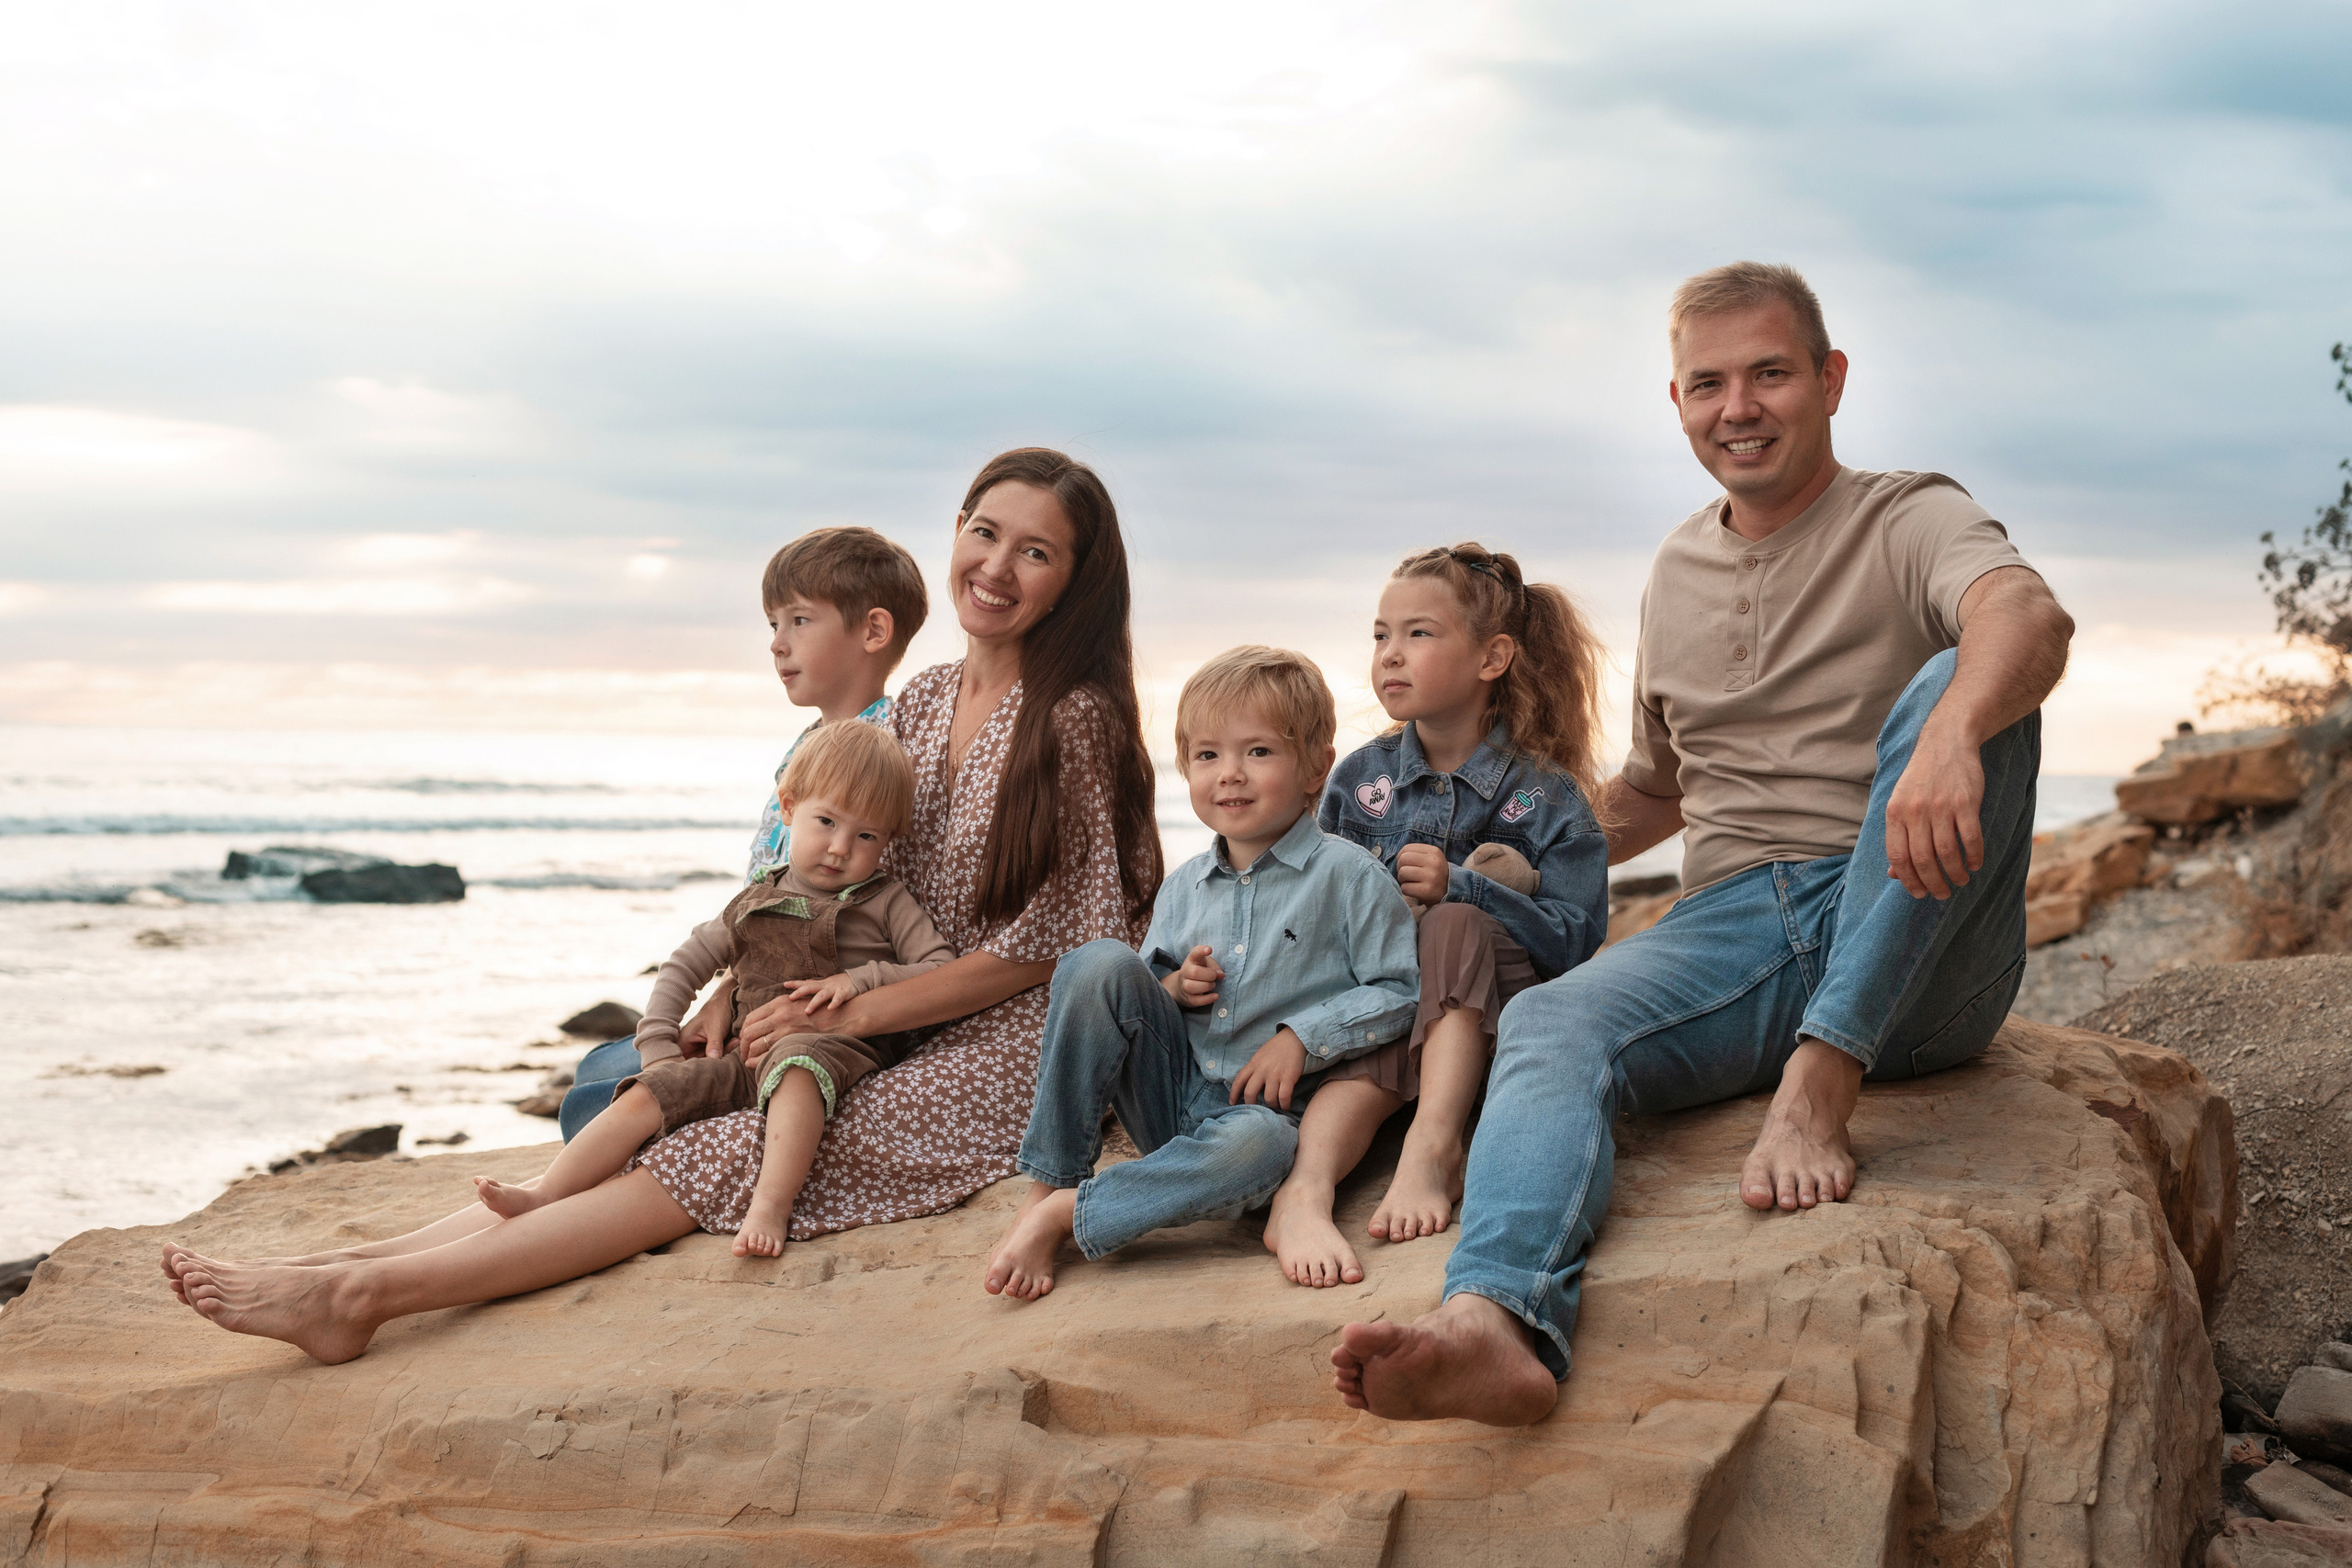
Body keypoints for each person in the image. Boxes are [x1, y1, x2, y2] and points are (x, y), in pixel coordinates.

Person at [164, 447, 1161, 1363]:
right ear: (955, 531)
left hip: (1001, 1039)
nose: (996, 565)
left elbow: (1047, 954)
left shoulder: (1072, 721)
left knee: (731, 1145)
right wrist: (749, 983)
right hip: (871, 1007)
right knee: (668, 1103)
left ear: (1072, 580)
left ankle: (366, 1298)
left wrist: (848, 1010)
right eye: (984, 532)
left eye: (1036, 552)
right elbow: (837, 885)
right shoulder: (925, 698)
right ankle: (347, 1267)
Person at [1332, 261, 2075, 1426]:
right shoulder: (1676, 569)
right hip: (1738, 927)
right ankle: (1493, 1320)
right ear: (1674, 405)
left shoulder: (1908, 513)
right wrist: (1511, 849)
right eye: (1707, 384)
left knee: (1965, 685)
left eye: (1770, 374)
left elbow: (2026, 616)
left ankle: (1817, 1089)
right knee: (1550, 1019)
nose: (1739, 407)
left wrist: (1950, 738)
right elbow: (1651, 788)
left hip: (1916, 922)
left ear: (1830, 381)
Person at [984, 646, 1419, 1301]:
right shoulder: (1184, 886)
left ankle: (1070, 1215)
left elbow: (1397, 991)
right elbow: (1139, 1001)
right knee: (1098, 960)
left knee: (1265, 1145)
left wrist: (1302, 1036)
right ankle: (1052, 1182)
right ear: (1186, 766)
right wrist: (1173, 987)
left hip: (1258, 1122)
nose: (1230, 775)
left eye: (1259, 752)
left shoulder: (1349, 875)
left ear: (1315, 770)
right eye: (1208, 755)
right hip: (1170, 1093)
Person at [1260, 543, 1611, 1289]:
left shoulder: (1544, 795)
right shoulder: (1359, 780)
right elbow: (1313, 908)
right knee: (1389, 983)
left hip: (1492, 1022)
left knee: (1450, 926)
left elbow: (1578, 943)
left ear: (1493, 657)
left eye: (1418, 633)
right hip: (1398, 1011)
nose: (1391, 654)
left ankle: (1434, 1147)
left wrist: (1473, 890)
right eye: (1381, 634)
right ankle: (1307, 1189)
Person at [471, 722, 955, 1258]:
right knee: (646, 1095)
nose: (841, 848)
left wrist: (859, 980)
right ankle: (545, 1194)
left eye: (867, 836)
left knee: (797, 1065)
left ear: (888, 840)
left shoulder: (886, 901)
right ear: (789, 808)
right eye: (826, 822)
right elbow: (683, 965)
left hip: (833, 1049)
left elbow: (939, 967)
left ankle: (770, 1206)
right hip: (743, 1055)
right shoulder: (751, 901)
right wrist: (657, 1048)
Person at [560, 525, 927, 1141]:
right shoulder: (807, 747)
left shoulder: (882, 753)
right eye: (772, 625)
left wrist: (741, 1006)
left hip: (801, 1011)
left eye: (800, 621)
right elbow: (766, 908)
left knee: (598, 1093)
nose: (778, 644)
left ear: (873, 631)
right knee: (598, 1066)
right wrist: (725, 990)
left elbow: (842, 912)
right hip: (751, 988)